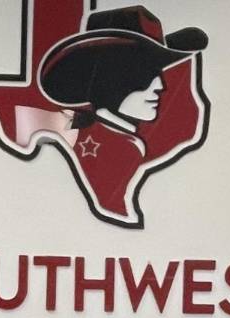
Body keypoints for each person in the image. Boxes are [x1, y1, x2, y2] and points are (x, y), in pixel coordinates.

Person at [37, 6, 208, 220]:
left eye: (158, 72)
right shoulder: (93, 146)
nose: (161, 86)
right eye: (146, 74)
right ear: (112, 79)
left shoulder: (126, 145)